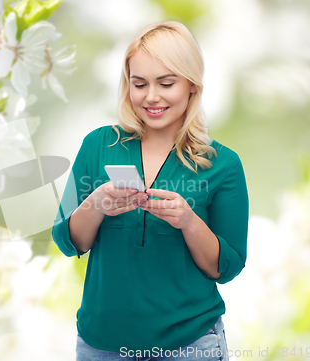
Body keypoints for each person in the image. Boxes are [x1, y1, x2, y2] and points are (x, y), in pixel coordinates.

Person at [51, 21, 248, 361]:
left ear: (191, 85)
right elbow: (68, 241)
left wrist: (188, 222)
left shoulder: (223, 164)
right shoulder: (98, 145)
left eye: (166, 83)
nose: (151, 96)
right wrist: (95, 204)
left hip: (190, 344)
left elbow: (225, 268)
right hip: (102, 345)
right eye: (139, 84)